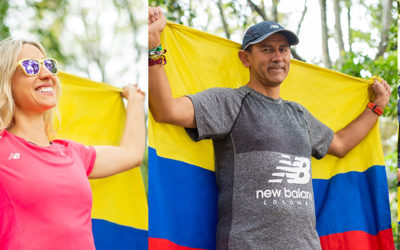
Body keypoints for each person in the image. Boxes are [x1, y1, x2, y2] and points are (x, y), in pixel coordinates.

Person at [148, 6, 392, 250]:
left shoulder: (299, 114)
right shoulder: (229, 103)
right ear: (246, 58)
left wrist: (376, 108)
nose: (278, 57)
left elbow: (340, 144)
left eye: (283, 50)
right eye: (267, 50)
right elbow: (166, 110)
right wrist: (153, 47)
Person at [0, 38, 146, 249]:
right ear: (6, 80)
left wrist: (134, 101)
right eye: (31, 67)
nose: (46, 74)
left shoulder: (73, 153)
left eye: (49, 65)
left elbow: (131, 154)